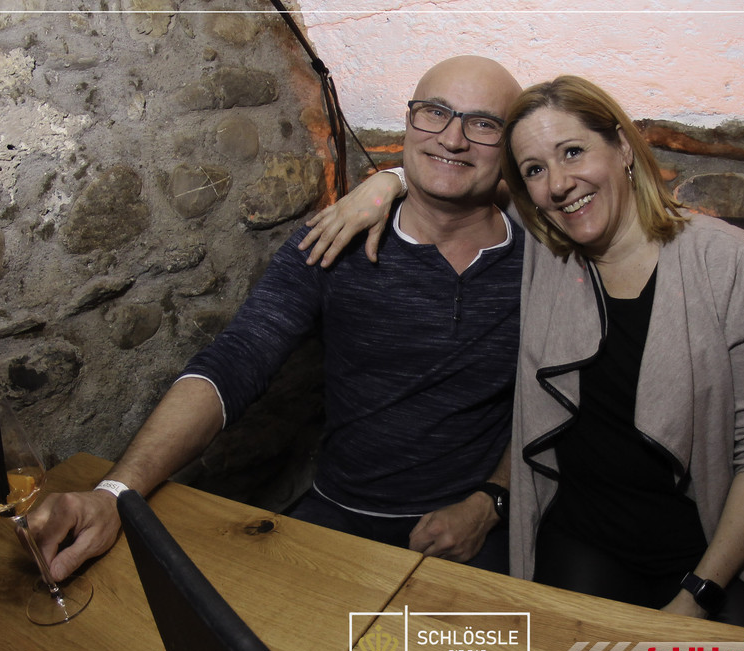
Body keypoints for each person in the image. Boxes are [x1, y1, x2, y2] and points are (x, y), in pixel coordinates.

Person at [301, 76, 744, 636]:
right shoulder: (547, 249)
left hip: (714, 554)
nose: (558, 184)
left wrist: (698, 595)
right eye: (535, 169)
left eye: (574, 152)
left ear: (622, 147)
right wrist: (384, 182)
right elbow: (458, 180)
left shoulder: (729, 261)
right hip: (584, 539)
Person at [29, 55, 525, 580]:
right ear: (409, 121)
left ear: (510, 146)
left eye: (483, 123)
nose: (452, 138)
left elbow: (556, 403)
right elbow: (238, 358)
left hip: (473, 526)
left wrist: (490, 502)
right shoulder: (332, 239)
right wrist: (115, 494)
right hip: (339, 515)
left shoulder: (540, 260)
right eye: (435, 112)